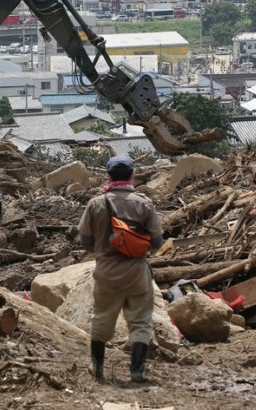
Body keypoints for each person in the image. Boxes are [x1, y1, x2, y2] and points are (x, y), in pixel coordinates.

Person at [77, 156, 163, 384]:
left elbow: (84, 240)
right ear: (132, 175)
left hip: (106, 274)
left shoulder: (96, 204)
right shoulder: (143, 203)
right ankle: (137, 372)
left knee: (101, 319)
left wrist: (105, 247)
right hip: (137, 275)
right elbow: (157, 240)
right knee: (141, 322)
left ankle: (97, 369)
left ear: (108, 176)